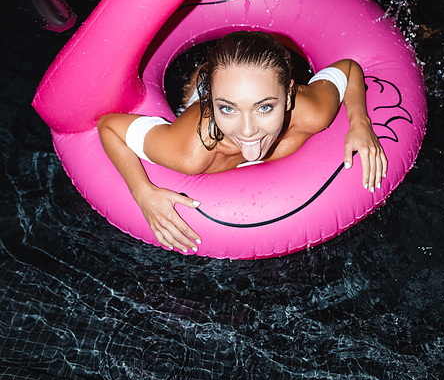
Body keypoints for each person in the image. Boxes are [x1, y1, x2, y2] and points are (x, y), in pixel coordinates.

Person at [98, 31, 387, 253]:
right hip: (202, 96)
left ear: (288, 97)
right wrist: (143, 192)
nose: (248, 131)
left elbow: (348, 68)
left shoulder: (311, 113)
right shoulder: (191, 151)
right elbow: (108, 126)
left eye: (265, 108)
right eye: (228, 109)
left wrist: (360, 123)